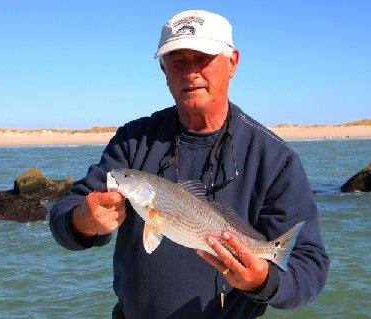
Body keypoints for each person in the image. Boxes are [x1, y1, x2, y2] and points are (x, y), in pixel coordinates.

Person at [49, 9, 329, 319]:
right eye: (178, 60)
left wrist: (262, 280)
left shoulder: (275, 157)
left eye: (202, 58)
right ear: (163, 69)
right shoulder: (132, 141)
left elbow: (309, 266)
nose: (190, 72)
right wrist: (84, 221)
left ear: (233, 62)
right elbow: (64, 214)